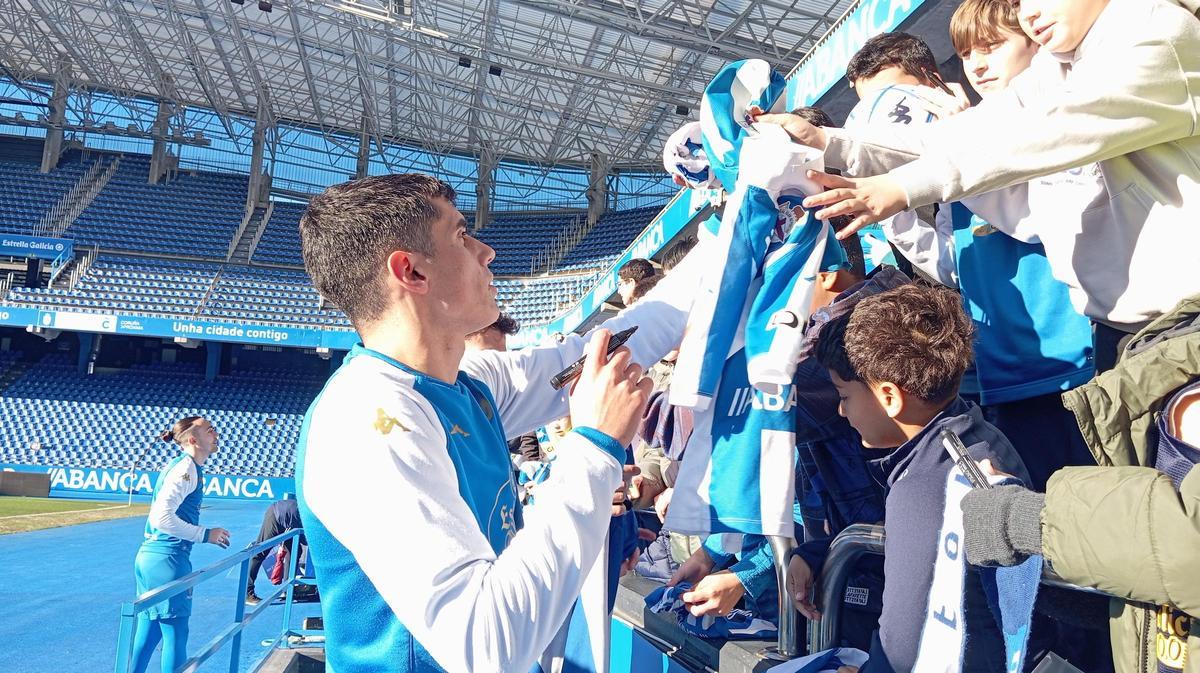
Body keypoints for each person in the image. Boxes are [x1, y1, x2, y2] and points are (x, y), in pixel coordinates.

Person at [294, 173, 699, 672]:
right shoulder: (367, 420)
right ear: (412, 272)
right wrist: (593, 447)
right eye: (462, 235)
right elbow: (487, 648)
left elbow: (615, 341)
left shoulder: (464, 382)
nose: (487, 252)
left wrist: (741, 213)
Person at [755, 0, 1200, 364]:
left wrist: (901, 188)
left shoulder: (1154, 33)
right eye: (1020, 3)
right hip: (1129, 333)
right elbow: (962, 135)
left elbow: (1042, 134)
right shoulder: (1057, 69)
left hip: (1182, 323)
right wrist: (828, 140)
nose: (1030, 14)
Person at [962, 296, 1200, 673]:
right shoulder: (1159, 363)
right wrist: (1053, 569)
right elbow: (1151, 581)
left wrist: (1026, 521)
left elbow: (1188, 548)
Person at [810, 283, 1030, 672]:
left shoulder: (924, 487)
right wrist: (814, 555)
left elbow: (902, 648)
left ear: (890, 397)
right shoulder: (974, 437)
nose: (842, 412)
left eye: (844, 396)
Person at [944, 0, 1097, 491]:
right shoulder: (965, 142)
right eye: (967, 54)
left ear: (1035, 39)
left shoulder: (1060, 115)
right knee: (1050, 531)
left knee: (1114, 509)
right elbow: (953, 262)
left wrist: (952, 148)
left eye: (992, 47)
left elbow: (1036, 222)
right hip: (1005, 375)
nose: (978, 65)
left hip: (1078, 361)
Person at [130, 416, 231, 673]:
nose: (216, 433)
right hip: (168, 559)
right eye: (210, 430)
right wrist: (204, 534)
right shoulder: (186, 469)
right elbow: (161, 517)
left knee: (151, 630)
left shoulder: (185, 466)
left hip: (152, 558)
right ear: (193, 440)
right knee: (176, 634)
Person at [464, 313, 541, 463]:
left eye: (503, 360)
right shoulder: (433, 409)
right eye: (487, 360)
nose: (498, 369)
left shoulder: (509, 394)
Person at [245, 497, 304, 606]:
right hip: (276, 515)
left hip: (289, 522)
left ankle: (287, 589)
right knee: (259, 553)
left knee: (295, 551)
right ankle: (247, 593)